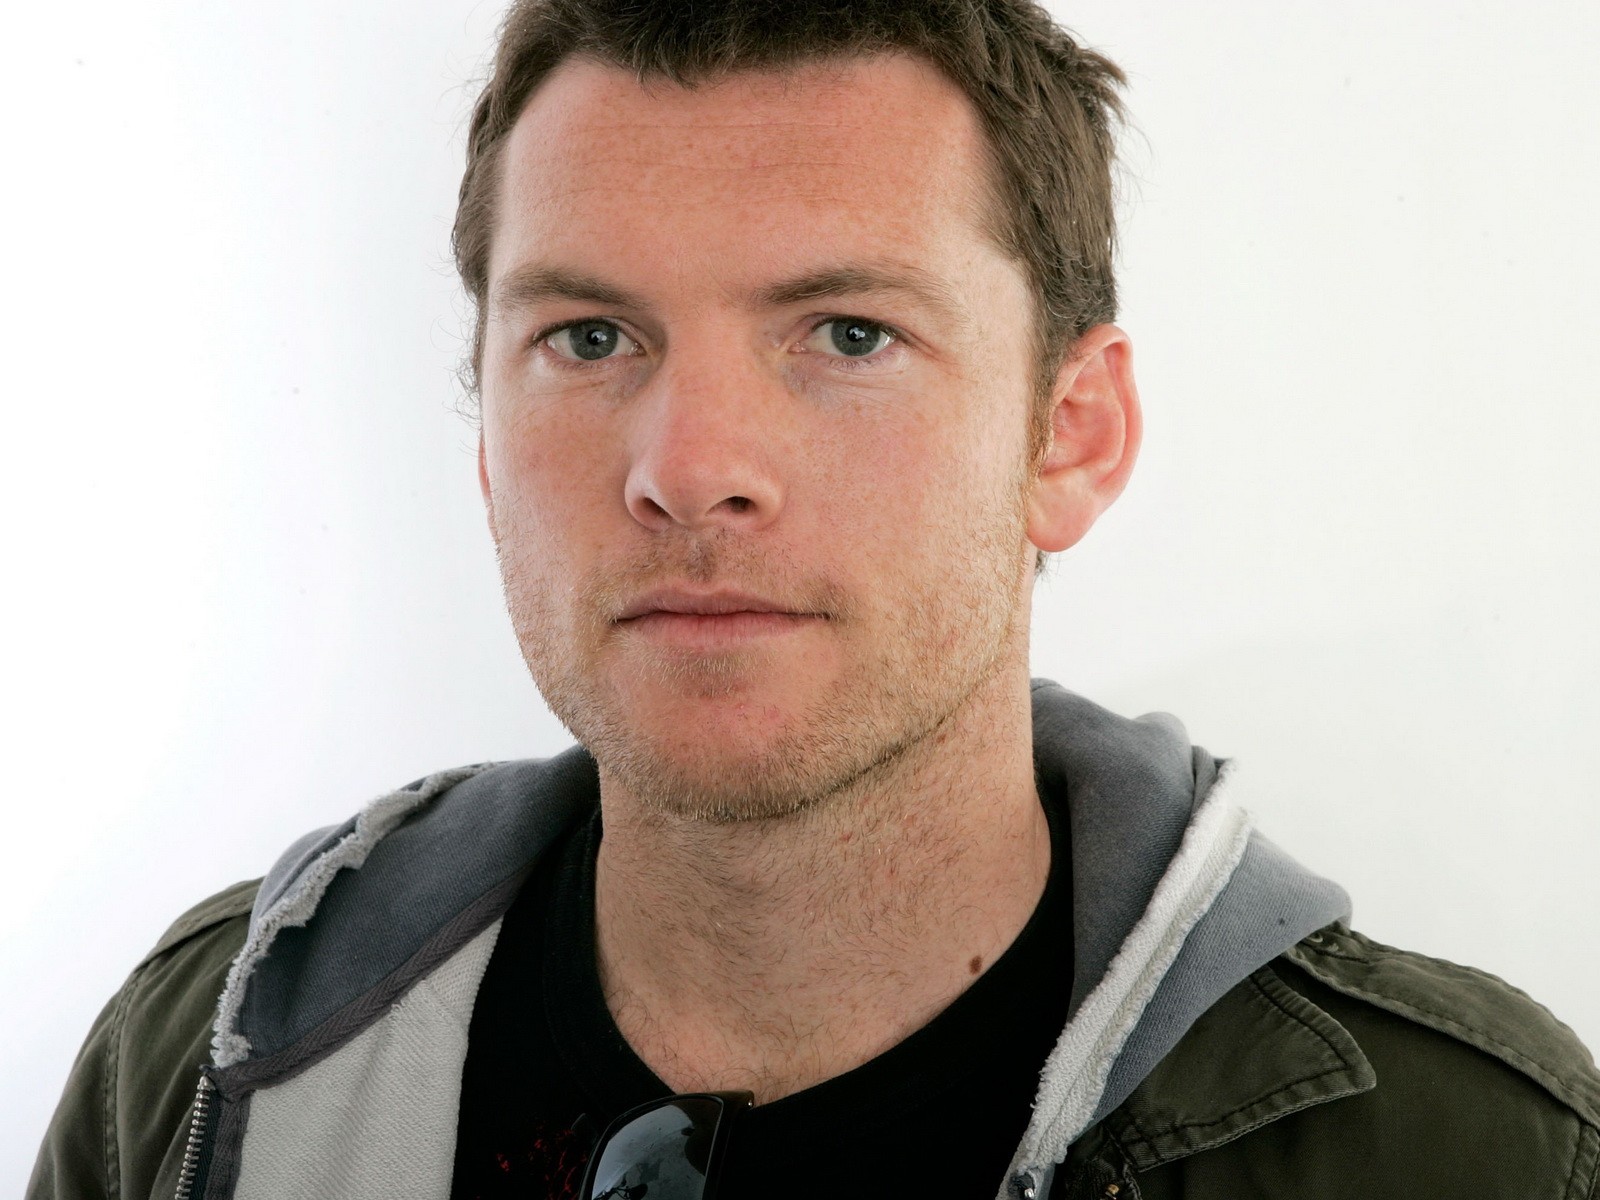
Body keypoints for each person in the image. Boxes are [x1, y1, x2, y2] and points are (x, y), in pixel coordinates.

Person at [28, 1, 1600, 1197]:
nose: (690, 470)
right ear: (487, 445)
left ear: (1072, 435)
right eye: (590, 339)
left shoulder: (1476, 1160)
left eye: (848, 335)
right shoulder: (198, 1074)